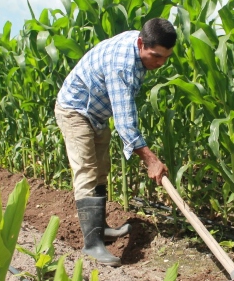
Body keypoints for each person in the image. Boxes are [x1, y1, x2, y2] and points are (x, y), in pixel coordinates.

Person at [54, 18, 176, 266]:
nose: (160, 63)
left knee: (101, 170)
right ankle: (92, 245)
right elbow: (125, 120)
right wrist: (151, 160)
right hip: (75, 110)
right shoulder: (122, 64)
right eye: (156, 56)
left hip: (98, 113)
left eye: (166, 57)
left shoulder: (140, 46)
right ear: (141, 43)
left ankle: (101, 230)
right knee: (87, 171)